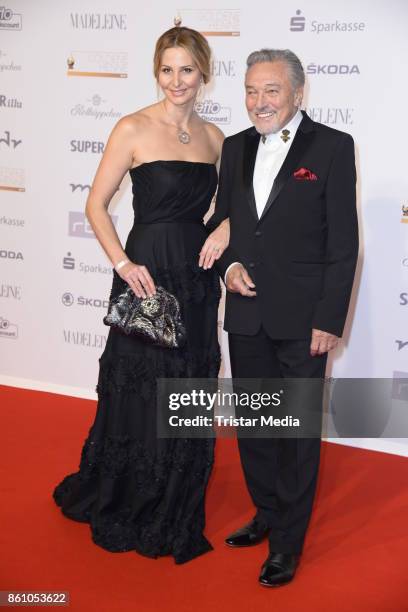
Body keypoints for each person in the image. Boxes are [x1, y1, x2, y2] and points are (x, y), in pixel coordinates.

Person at [53, 25, 230, 564]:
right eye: (167, 69)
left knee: (188, 380)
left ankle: (177, 484)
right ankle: (132, 489)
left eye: (187, 70)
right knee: (142, 382)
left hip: (197, 278)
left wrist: (224, 229)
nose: (177, 81)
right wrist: (123, 263)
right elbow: (96, 205)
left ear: (203, 73)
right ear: (157, 72)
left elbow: (230, 206)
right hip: (147, 275)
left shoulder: (217, 138)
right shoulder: (132, 126)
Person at [205, 49, 359, 586]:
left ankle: (288, 541)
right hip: (246, 314)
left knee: (295, 433)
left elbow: (343, 245)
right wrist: (228, 268)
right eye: (251, 90)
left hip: (303, 321)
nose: (259, 101)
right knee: (254, 426)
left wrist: (329, 318)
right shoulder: (234, 146)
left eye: (271, 90)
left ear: (297, 93)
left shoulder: (334, 148)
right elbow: (229, 225)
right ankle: (267, 513)